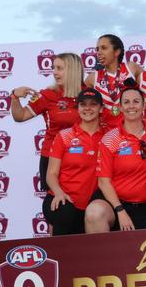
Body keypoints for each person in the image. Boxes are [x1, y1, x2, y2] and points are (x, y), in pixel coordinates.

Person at [84, 81, 146, 233]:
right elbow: (103, 182)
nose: (131, 106)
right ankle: (100, 256)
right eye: (126, 102)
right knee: (94, 213)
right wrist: (120, 211)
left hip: (145, 205)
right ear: (120, 107)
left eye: (136, 102)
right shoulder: (110, 139)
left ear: (144, 106)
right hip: (114, 205)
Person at [10, 53, 84, 191]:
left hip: (84, 158)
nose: (54, 72)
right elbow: (20, 116)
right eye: (53, 68)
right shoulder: (47, 95)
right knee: (57, 206)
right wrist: (14, 96)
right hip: (53, 159)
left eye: (59, 68)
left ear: (73, 70)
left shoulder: (88, 94)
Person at [43, 88, 104, 235]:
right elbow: (51, 174)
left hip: (92, 206)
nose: (88, 108)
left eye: (93, 104)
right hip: (62, 199)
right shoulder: (64, 136)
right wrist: (58, 193)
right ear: (78, 109)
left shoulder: (109, 137)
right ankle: (59, 256)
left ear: (101, 109)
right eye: (83, 104)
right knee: (65, 212)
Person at [85, 34, 142, 129]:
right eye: (97, 49)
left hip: (132, 131)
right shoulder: (93, 77)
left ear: (117, 51)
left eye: (104, 48)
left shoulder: (131, 68)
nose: (99, 52)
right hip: (106, 133)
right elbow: (78, 100)